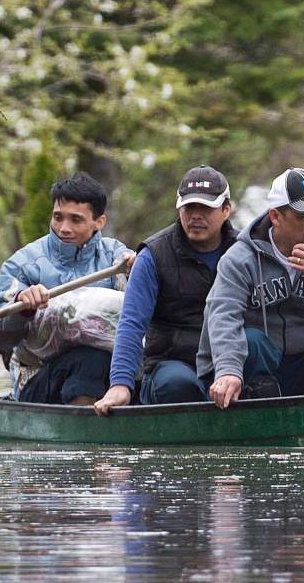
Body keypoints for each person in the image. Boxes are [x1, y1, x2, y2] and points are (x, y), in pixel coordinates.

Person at [197, 167, 304, 409]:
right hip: (249, 376)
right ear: (275, 217)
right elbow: (223, 317)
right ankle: (263, 423)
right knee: (253, 340)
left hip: (303, 365)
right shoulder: (239, 258)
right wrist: (228, 370)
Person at [94, 166, 238, 415]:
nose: (195, 216)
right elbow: (131, 324)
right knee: (179, 385)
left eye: (205, 208)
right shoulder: (153, 254)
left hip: (230, 362)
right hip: (172, 364)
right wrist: (120, 384)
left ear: (226, 210)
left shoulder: (243, 252)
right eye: (189, 208)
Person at [0, 172, 133, 405]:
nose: (63, 228)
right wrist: (21, 307)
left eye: (76, 220)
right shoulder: (23, 263)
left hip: (107, 374)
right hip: (37, 378)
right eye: (57, 217)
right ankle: (84, 430)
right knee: (90, 359)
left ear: (99, 222)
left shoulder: (116, 256)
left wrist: (135, 272)